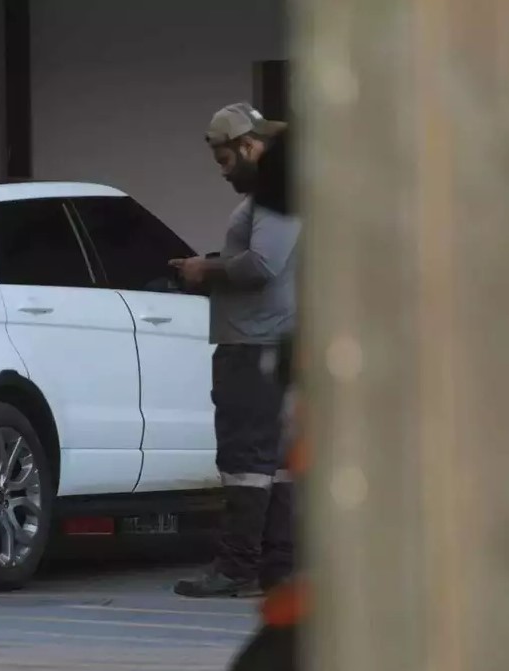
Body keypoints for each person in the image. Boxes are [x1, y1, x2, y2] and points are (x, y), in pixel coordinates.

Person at [170, 103, 299, 598]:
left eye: (226, 161)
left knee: (245, 458)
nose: (224, 173)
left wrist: (206, 271)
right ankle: (278, 566)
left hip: (251, 345)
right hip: (274, 342)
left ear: (249, 147)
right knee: (275, 461)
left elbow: (262, 265)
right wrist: (212, 268)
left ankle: (236, 567)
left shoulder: (271, 198)